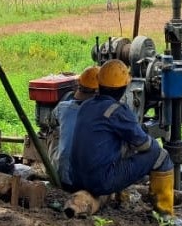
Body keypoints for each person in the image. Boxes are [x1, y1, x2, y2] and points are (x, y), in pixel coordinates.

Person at [69, 59, 175, 215]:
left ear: (99, 83)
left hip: (75, 179)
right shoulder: (117, 111)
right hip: (100, 181)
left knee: (122, 148)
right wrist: (147, 145)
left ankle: (121, 198)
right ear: (125, 87)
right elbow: (145, 145)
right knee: (161, 156)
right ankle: (166, 215)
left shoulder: (86, 105)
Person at [52, 65, 99, 190]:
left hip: (63, 177)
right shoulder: (102, 114)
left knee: (53, 132)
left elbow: (51, 123)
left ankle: (53, 168)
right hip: (89, 182)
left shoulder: (62, 107)